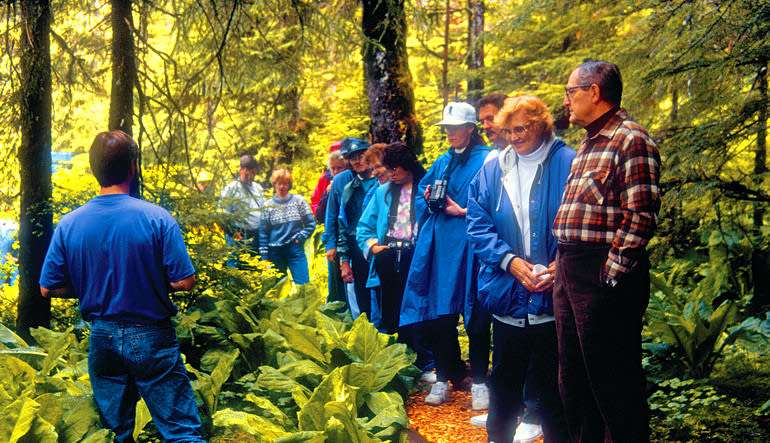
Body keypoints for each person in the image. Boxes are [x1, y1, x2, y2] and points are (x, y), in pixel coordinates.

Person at [39, 130, 205, 442]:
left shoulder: (69, 223)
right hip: (152, 335)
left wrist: (90, 286)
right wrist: (146, 280)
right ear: (133, 167)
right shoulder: (157, 218)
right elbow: (185, 280)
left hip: (101, 336)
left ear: (94, 169)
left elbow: (47, 288)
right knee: (182, 432)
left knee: (114, 434)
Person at [554, 59, 661, 442]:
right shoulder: (589, 142)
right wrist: (561, 267)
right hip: (570, 271)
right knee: (575, 378)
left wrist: (609, 277)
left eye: (570, 92)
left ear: (594, 92)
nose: (566, 102)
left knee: (614, 381)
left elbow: (641, 216)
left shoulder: (631, 139)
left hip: (601, 274)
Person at [467, 95, 573, 443]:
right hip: (507, 298)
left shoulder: (570, 163)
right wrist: (509, 261)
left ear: (541, 124)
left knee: (555, 397)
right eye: (506, 130)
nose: (512, 137)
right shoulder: (493, 168)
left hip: (553, 304)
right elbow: (477, 224)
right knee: (504, 392)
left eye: (520, 129)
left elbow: (588, 225)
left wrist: (561, 266)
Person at [400, 102, 491, 409]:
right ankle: (443, 379)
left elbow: (499, 202)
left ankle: (480, 382)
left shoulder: (489, 159)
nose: (450, 134)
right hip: (441, 250)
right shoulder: (442, 161)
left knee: (477, 317)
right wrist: (427, 199)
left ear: (471, 128)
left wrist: (463, 211)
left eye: (455, 128)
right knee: (441, 315)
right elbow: (423, 196)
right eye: (446, 129)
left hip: (473, 248)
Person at [357, 142, 435, 380]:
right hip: (388, 257)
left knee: (420, 309)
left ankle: (426, 362)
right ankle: (400, 364)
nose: (390, 174)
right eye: (388, 169)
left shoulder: (426, 188)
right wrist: (374, 248)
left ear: (407, 166)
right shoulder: (383, 192)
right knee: (392, 310)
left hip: (418, 256)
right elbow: (363, 226)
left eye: (394, 169)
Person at [338, 139, 377, 319]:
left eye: (361, 155)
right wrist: (344, 260)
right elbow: (343, 226)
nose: (357, 161)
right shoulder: (349, 189)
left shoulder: (382, 182)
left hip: (382, 248)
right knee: (363, 298)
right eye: (352, 158)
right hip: (358, 251)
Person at [259, 168, 316, 285]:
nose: (282, 187)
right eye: (279, 183)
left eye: (285, 183)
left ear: (289, 185)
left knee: (304, 284)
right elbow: (263, 233)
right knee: (278, 288)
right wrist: (264, 256)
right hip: (275, 252)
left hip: (294, 248)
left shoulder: (299, 201)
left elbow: (311, 224)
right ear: (274, 185)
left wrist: (299, 238)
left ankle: (305, 303)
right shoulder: (267, 206)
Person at [323, 138, 359, 306]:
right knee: (342, 280)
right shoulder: (339, 180)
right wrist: (330, 243)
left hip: (365, 238)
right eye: (347, 157)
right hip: (341, 238)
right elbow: (330, 214)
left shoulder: (372, 174)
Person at [361, 142, 390, 330]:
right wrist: (374, 248)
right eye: (373, 169)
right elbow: (364, 228)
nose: (376, 172)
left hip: (405, 266)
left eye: (378, 166)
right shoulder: (376, 193)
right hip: (380, 267)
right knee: (381, 321)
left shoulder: (411, 189)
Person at [219, 154, 264, 255]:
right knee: (235, 266)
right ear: (241, 170)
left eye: (253, 173)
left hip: (256, 237)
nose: (251, 176)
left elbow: (262, 211)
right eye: (248, 174)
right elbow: (222, 213)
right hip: (237, 236)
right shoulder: (231, 189)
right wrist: (233, 233)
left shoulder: (258, 189)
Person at [311, 141, 346, 222]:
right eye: (333, 168)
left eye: (339, 168)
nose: (336, 171)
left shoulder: (351, 177)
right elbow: (315, 200)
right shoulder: (325, 178)